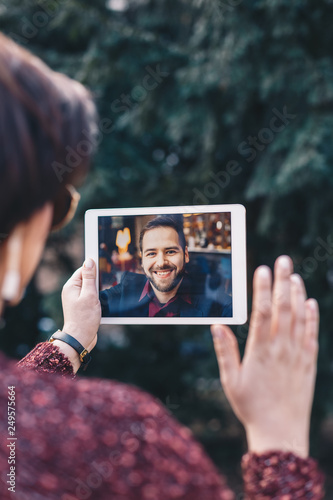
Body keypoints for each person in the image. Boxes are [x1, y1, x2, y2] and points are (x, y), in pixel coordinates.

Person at [0, 33, 325, 499]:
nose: (161, 262)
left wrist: (70, 340)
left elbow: (16, 416)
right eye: (53, 206)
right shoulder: (125, 439)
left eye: (170, 252)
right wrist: (279, 445)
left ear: (186, 257)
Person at [100, 216, 232, 317]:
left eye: (170, 252)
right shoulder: (126, 287)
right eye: (151, 253)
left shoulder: (214, 301)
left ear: (185, 254)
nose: (161, 262)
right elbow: (88, 306)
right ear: (142, 260)